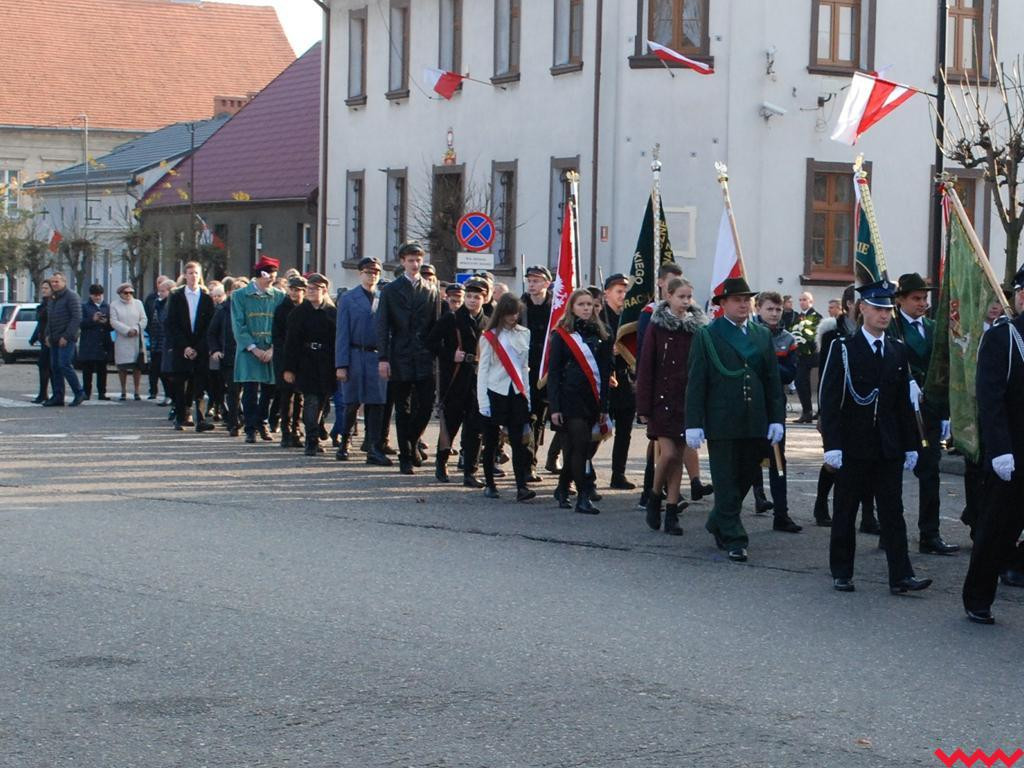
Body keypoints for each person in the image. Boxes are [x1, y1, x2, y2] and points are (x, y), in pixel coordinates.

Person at [819, 280, 931, 595]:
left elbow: (902, 405)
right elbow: (830, 400)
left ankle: (901, 575)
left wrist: (910, 445)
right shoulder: (844, 348)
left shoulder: (896, 349)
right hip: (854, 445)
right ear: (863, 308)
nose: (884, 315)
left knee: (893, 512)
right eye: (878, 308)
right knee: (845, 509)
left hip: (887, 445)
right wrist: (833, 446)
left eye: (888, 309)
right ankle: (842, 571)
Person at [685, 277, 785, 562]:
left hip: (755, 418)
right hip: (722, 419)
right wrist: (693, 421)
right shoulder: (708, 335)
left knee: (747, 475)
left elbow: (771, 380)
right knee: (726, 479)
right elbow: (697, 381)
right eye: (737, 299)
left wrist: (776, 418)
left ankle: (718, 520)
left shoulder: (761, 334)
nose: (744, 304)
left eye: (747, 299)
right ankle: (735, 537)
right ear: (723, 304)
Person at [962, 265, 1024, 623]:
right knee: (997, 529)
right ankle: (978, 597)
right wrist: (1000, 449)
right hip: (1012, 452)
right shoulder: (1004, 338)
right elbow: (991, 399)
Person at [892, 272, 958, 555]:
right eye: (916, 298)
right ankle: (889, 530)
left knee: (930, 472)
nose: (922, 303)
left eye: (925, 298)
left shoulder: (933, 328)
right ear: (901, 300)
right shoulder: (892, 328)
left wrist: (945, 413)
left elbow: (944, 369)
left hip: (929, 410)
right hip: (899, 411)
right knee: (892, 474)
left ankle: (929, 534)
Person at [635, 277, 707, 535]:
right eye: (681, 297)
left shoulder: (697, 328)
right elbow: (646, 366)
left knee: (678, 455)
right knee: (668, 454)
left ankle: (672, 511)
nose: (686, 302)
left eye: (689, 297)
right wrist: (643, 406)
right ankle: (655, 496)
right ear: (669, 297)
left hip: (685, 401)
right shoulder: (657, 326)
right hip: (661, 401)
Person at [376, 241, 440, 474]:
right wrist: (383, 358)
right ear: (402, 262)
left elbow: (435, 325)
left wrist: (435, 352)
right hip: (399, 354)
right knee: (402, 408)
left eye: (418, 260)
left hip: (424, 355)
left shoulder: (431, 289)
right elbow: (382, 326)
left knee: (425, 407)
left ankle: (411, 443)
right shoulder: (391, 290)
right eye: (410, 260)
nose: (415, 264)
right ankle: (405, 455)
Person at [548, 289, 612, 515]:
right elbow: (553, 372)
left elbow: (605, 373)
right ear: (572, 308)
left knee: (578, 447)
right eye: (581, 304)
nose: (587, 308)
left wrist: (604, 405)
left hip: (592, 399)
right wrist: (554, 407)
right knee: (581, 445)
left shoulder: (603, 334)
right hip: (569, 399)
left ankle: (562, 488)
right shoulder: (562, 334)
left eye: (590, 305)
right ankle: (583, 496)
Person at [427, 278, 487, 487]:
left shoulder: (487, 323)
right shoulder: (451, 319)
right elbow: (430, 341)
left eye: (477, 297)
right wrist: (450, 354)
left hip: (478, 379)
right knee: (450, 424)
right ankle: (441, 462)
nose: (472, 300)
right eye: (469, 296)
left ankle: (470, 471)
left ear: (484, 299)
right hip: (454, 377)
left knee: (475, 427)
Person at [750, 291, 802, 533]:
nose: (773, 313)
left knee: (777, 459)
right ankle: (755, 497)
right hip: (750, 404)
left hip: (775, 405)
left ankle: (781, 513)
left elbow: (790, 372)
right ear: (758, 308)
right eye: (769, 309)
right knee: (750, 456)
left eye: (777, 310)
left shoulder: (787, 339)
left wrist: (769, 366)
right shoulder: (748, 334)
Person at [477, 293, 535, 501]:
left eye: (516, 313)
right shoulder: (489, 336)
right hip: (495, 392)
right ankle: (490, 484)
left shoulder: (524, 333)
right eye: (509, 313)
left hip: (517, 392)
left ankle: (521, 486)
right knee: (491, 441)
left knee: (519, 442)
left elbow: (524, 367)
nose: (513, 317)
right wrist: (483, 402)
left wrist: (526, 396)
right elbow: (483, 371)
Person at [335, 257, 391, 465]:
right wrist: (341, 364)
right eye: (368, 272)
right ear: (360, 274)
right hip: (355, 354)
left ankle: (374, 447)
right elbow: (342, 333)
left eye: (375, 272)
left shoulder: (383, 296)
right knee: (352, 402)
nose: (372, 275)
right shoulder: (349, 298)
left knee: (377, 404)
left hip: (377, 356)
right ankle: (344, 441)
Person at [232, 255, 285, 443]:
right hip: (249, 350)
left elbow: (282, 325)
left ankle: (262, 421)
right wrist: (253, 348)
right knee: (250, 390)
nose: (270, 278)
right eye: (267, 274)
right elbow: (239, 325)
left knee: (270, 389)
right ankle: (250, 428)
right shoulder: (239, 296)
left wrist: (272, 348)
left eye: (273, 274)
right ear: (258, 275)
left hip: (271, 349)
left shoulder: (280, 296)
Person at [283, 273, 337, 456]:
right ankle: (311, 440)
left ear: (324, 290)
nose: (311, 292)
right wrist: (289, 368)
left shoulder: (331, 312)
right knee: (311, 400)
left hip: (326, 362)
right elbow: (290, 342)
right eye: (309, 289)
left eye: (315, 289)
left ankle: (315, 431)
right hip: (306, 361)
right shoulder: (298, 313)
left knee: (322, 402)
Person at [165, 262, 216, 432]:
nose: (193, 276)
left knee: (199, 384)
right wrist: (185, 347)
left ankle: (200, 419)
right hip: (182, 347)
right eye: (190, 273)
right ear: (184, 275)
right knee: (181, 384)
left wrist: (198, 347)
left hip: (199, 347)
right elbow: (172, 324)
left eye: (196, 273)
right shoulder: (176, 296)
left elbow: (210, 326)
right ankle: (181, 417)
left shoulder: (207, 298)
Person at [600, 273, 638, 490]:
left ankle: (618, 473)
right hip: (604, 380)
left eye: (625, 291)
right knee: (598, 430)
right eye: (618, 291)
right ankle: (585, 470)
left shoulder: (629, 318)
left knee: (625, 431)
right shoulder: (599, 317)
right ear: (607, 293)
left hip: (625, 378)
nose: (623, 296)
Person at [519, 265, 553, 480]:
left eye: (537, 281)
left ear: (546, 283)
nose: (532, 284)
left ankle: (531, 460)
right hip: (524, 368)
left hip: (546, 369)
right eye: (530, 280)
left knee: (540, 418)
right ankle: (525, 463)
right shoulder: (520, 305)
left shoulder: (555, 306)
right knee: (525, 417)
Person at [273, 276, 308, 448]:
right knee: (286, 396)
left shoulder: (306, 309)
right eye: (293, 289)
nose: (295, 293)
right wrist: (285, 362)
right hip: (285, 357)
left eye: (299, 290)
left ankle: (296, 429)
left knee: (299, 396)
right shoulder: (281, 309)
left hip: (303, 359)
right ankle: (286, 431)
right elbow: (277, 338)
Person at [42, 272, 85, 407]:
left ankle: (79, 392)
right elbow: (50, 319)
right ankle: (58, 396)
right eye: (52, 282)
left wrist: (66, 336)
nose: (54, 284)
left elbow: (76, 318)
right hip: (54, 338)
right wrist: (47, 335)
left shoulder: (71, 296)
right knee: (55, 367)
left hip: (66, 338)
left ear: (64, 282)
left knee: (65, 365)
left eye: (57, 282)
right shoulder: (53, 298)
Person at [210, 276, 244, 437]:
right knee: (233, 391)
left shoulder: (248, 309)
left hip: (248, 356)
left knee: (248, 391)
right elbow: (212, 332)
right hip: (229, 356)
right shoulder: (223, 309)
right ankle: (233, 422)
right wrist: (215, 350)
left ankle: (247, 419)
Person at [108, 282, 147, 401]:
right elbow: (113, 321)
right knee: (122, 366)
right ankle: (123, 390)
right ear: (120, 294)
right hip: (123, 339)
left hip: (136, 338)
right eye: (126, 293)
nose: (129, 295)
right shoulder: (114, 305)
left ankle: (136, 390)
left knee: (137, 366)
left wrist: (136, 329)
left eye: (131, 292)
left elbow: (144, 318)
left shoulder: (138, 303)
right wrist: (126, 330)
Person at [791, 291, 822, 423]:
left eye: (805, 299)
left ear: (811, 302)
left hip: (814, 354)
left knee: (822, 383)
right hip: (801, 355)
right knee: (800, 382)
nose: (802, 302)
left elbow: (814, 334)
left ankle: (820, 412)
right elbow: (792, 329)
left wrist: (805, 339)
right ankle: (807, 411)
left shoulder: (816, 316)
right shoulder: (798, 317)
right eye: (800, 299)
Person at [78, 284, 111, 401]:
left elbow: (111, 325)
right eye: (95, 295)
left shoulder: (107, 307)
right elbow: (81, 324)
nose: (97, 297)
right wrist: (92, 319)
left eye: (99, 295)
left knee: (102, 370)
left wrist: (106, 322)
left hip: (103, 342)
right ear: (90, 295)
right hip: (89, 342)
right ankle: (86, 392)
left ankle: (102, 392)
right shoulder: (85, 307)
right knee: (87, 370)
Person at [143, 274, 171, 399]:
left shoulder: (172, 304)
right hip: (155, 340)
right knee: (155, 369)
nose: (160, 293)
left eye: (163, 291)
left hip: (166, 342)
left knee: (166, 371)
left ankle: (170, 395)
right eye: (159, 290)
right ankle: (154, 391)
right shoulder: (154, 301)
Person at [29, 280, 52, 403]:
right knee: (43, 366)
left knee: (48, 367)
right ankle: (43, 393)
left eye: (46, 288)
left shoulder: (52, 304)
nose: (44, 290)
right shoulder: (43, 304)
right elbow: (40, 323)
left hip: (50, 339)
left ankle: (48, 394)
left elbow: (48, 321)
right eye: (43, 288)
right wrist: (33, 338)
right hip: (43, 339)